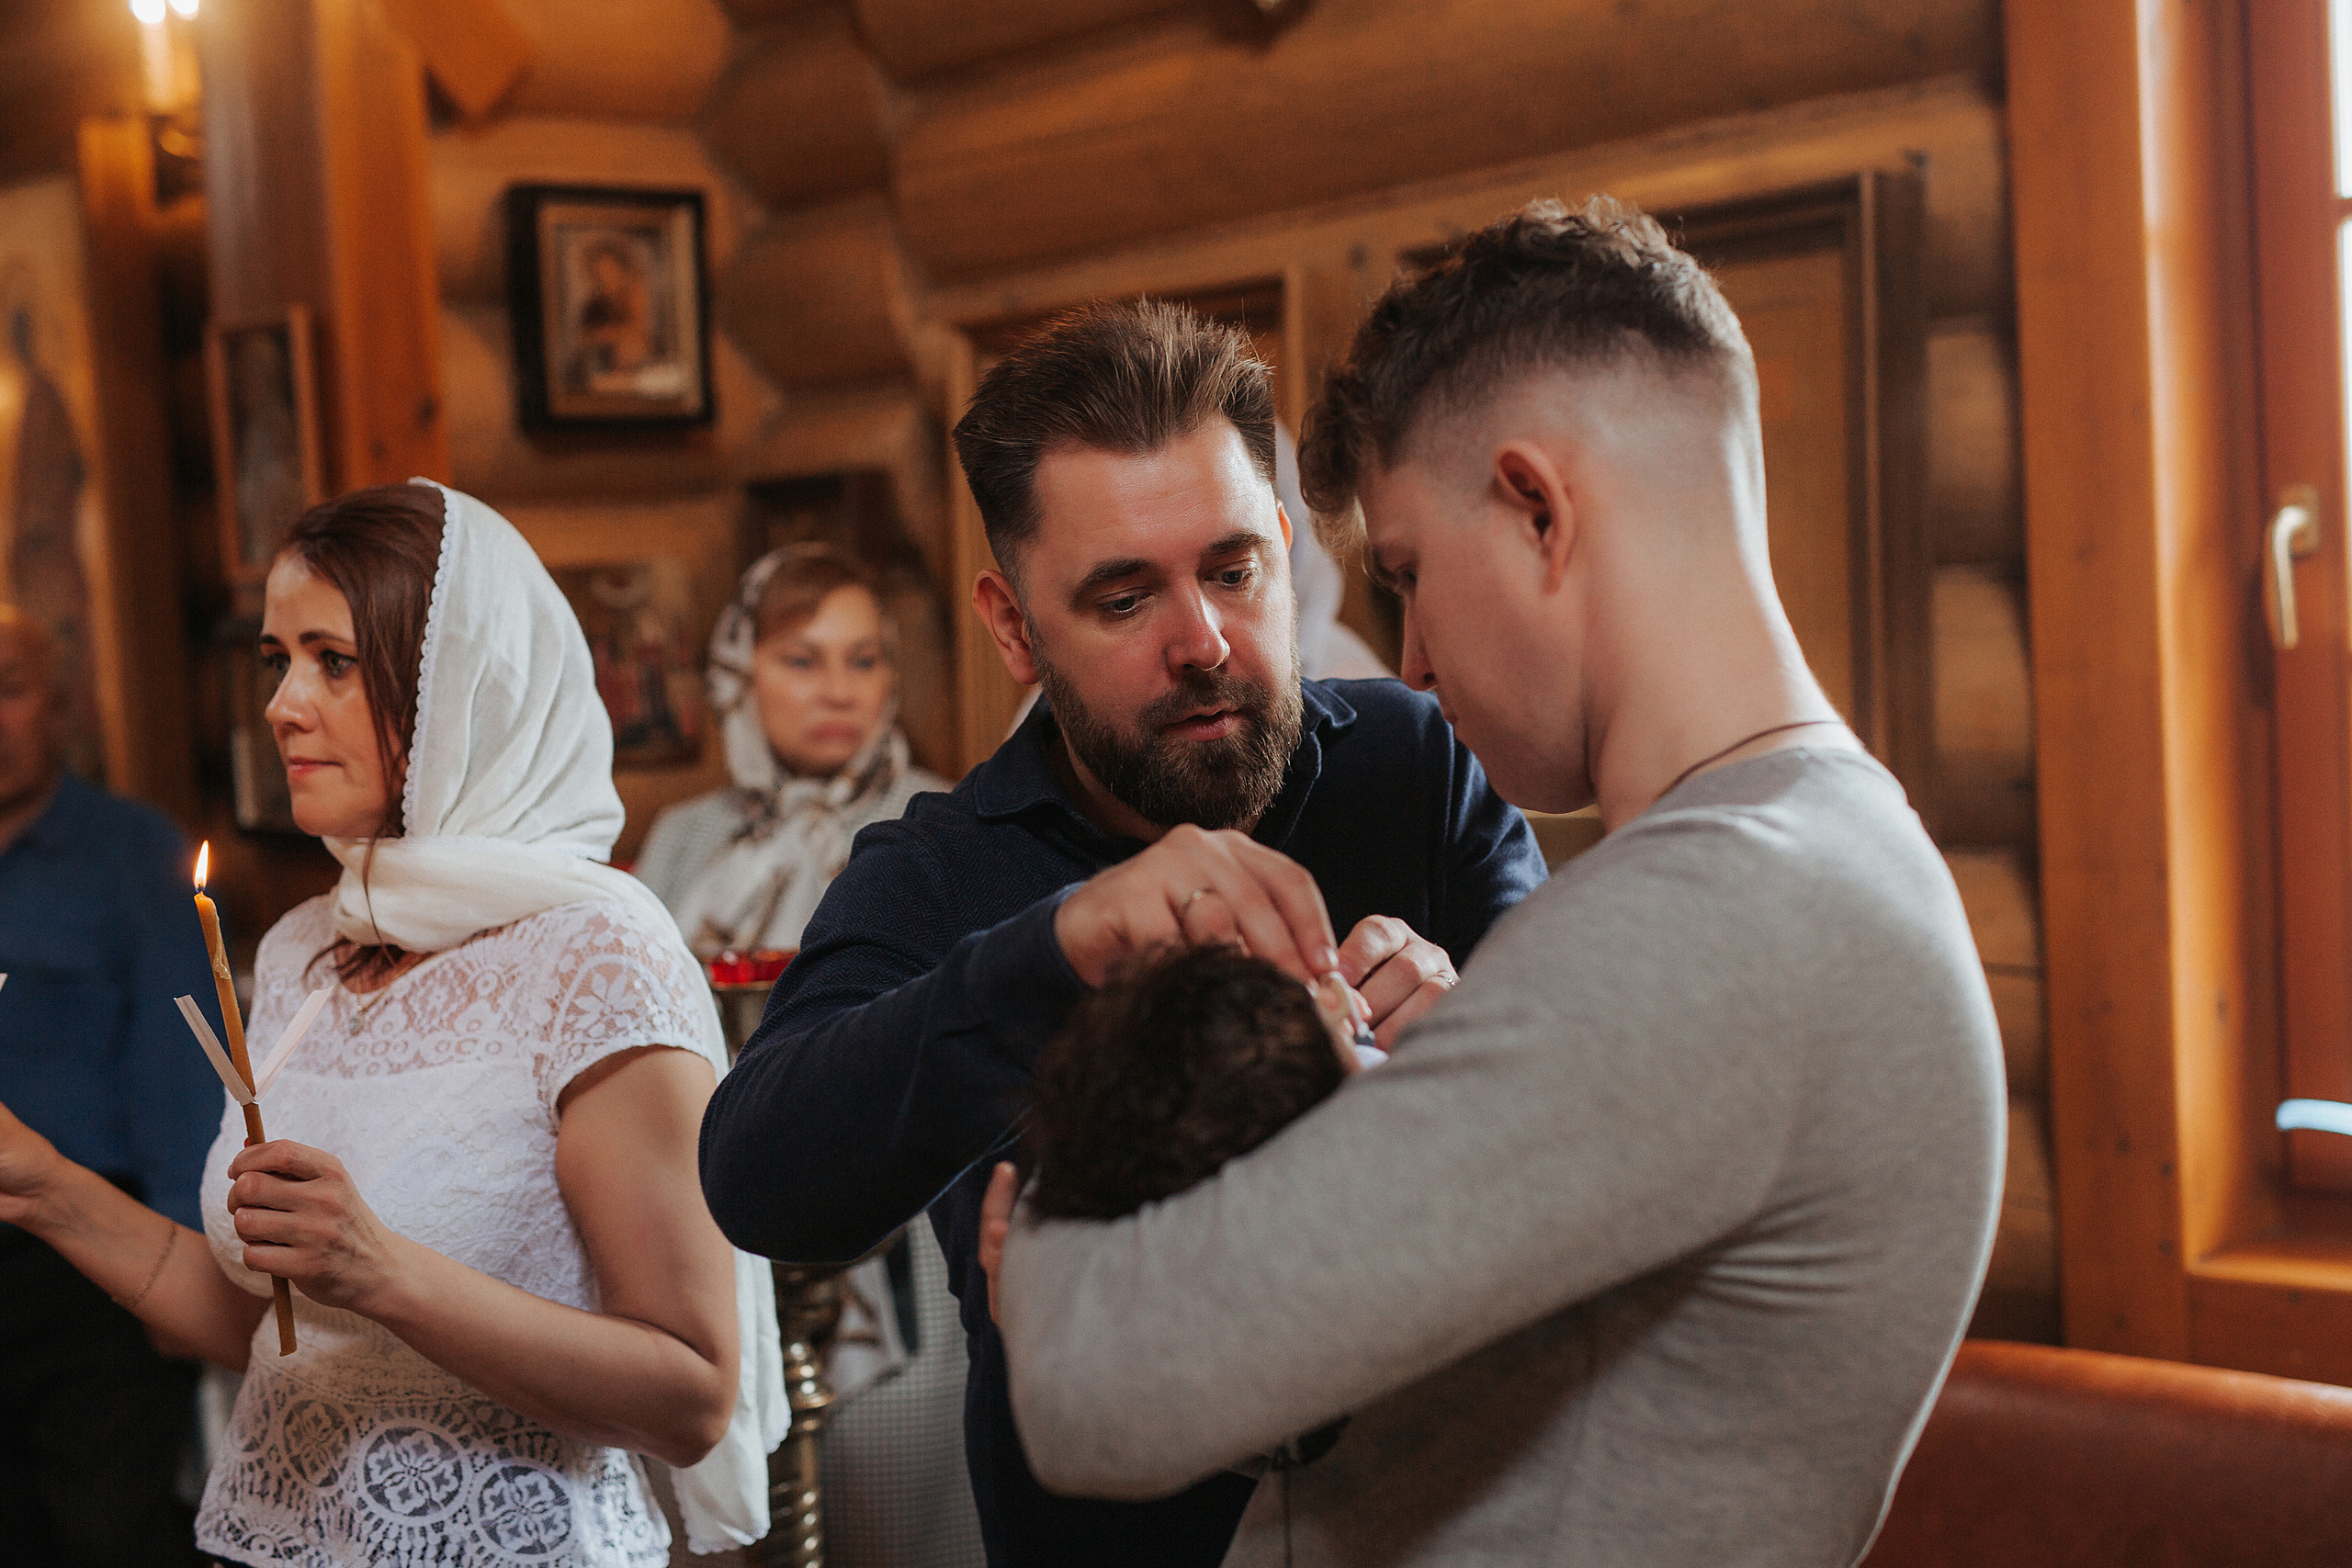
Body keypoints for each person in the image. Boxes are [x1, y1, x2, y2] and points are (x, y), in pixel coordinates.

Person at [981, 198, 2007, 1567]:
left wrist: (1041, 1235)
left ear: (1536, 509)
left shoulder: (1721, 918)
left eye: (1406, 569)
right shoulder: (1826, 849)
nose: (1404, 659)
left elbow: (1096, 1390)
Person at [699, 299, 1550, 1567]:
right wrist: (1056, 946)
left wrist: (1481, 1015)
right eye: (1121, 596)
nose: (1202, 640)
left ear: (1280, 544)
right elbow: (757, 1171)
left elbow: (1594, 1100)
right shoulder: (941, 870)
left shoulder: (1414, 766)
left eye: (1230, 568)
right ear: (1013, 629)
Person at [0, 480, 786, 1566]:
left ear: (456, 688)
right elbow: (274, 1334)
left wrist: (381, 1267)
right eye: (277, 660)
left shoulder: (593, 954)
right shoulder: (305, 950)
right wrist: (37, 1181)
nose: (281, 703)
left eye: (334, 660)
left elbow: (690, 1390)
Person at [634, 543, 978, 1568]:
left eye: (864, 659)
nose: (839, 688)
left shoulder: (942, 824)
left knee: (894, 1517)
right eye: (802, 658)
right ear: (739, 674)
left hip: (900, 1251)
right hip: (711, 1228)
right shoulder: (687, 841)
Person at [0, 605, 219, 1566]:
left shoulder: (130, 850)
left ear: (60, 705)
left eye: (6, 690)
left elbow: (182, 1058)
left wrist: (185, 1265)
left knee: (104, 1526)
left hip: (95, 1256)